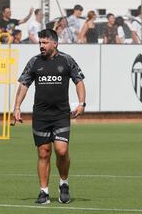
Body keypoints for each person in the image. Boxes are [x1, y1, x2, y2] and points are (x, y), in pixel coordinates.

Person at [14, 29, 86, 205]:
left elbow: (79, 80)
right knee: (43, 153)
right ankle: (44, 192)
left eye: (45, 43)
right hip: (41, 115)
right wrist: (17, 106)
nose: (41, 46)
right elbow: (24, 84)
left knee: (61, 151)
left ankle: (64, 183)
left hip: (61, 115)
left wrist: (81, 103)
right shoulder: (34, 62)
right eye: (40, 43)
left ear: (55, 43)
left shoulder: (66, 60)